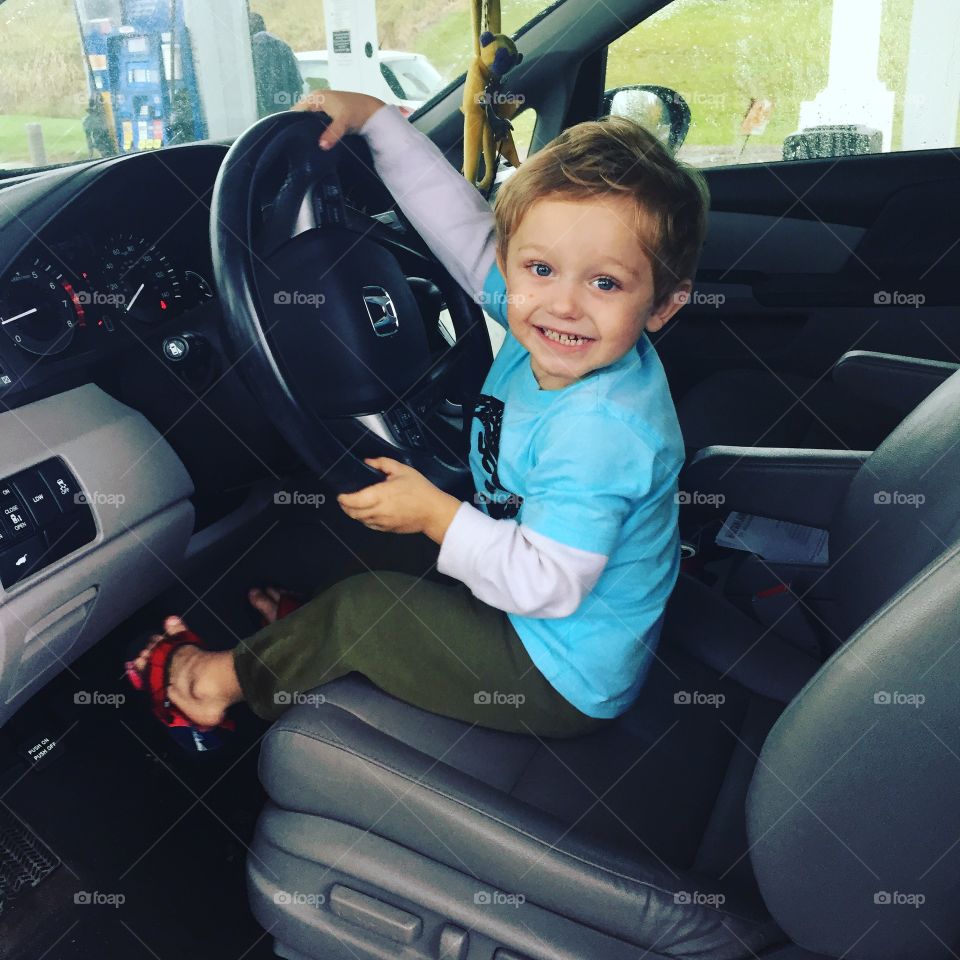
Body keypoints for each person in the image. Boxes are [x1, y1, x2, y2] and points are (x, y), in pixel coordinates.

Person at [127, 89, 710, 745]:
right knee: (373, 535)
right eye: (540, 267)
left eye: (605, 283)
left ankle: (213, 688)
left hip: (558, 672)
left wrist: (437, 514)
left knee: (362, 612)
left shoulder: (602, 431)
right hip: (536, 606)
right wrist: (378, 123)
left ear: (663, 305)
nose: (563, 304)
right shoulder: (546, 324)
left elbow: (545, 585)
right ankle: (304, 641)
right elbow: (461, 230)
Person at [249, 12, 303, 117]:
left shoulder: (248, 51)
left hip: (259, 114)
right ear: (264, 26)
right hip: (284, 109)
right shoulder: (283, 46)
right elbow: (297, 82)